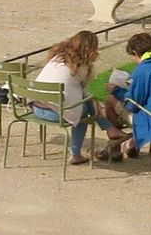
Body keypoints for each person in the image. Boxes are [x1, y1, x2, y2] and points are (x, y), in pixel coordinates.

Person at [33, 32, 128, 165]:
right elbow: (82, 88)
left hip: (37, 108)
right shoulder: (80, 66)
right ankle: (77, 153)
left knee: (86, 101)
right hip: (54, 112)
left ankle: (109, 129)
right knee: (82, 114)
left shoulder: (56, 58)